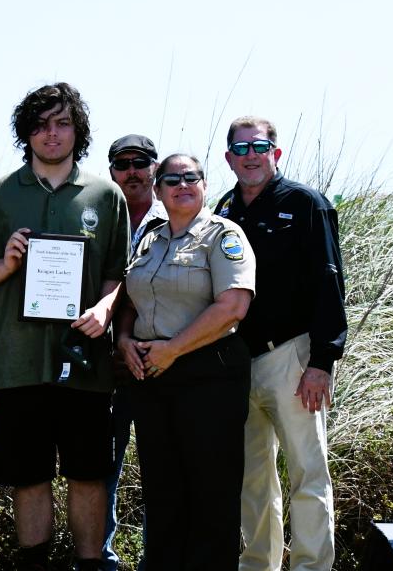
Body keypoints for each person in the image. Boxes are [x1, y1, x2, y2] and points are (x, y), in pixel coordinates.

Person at [0, 82, 130, 571]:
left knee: (88, 474)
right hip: (19, 362)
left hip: (85, 363)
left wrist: (106, 309)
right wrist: (6, 264)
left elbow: (119, 274)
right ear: (26, 133)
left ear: (78, 129)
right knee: (29, 476)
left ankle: (91, 565)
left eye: (61, 123)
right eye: (40, 125)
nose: (51, 134)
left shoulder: (106, 194)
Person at [215, 116, 347, 571]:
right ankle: (259, 566)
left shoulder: (307, 203)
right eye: (242, 149)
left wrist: (323, 361)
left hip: (293, 357)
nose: (251, 156)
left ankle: (312, 566)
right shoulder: (224, 210)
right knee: (253, 480)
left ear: (277, 152)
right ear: (229, 158)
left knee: (308, 475)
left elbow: (331, 283)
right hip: (236, 362)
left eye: (260, 146)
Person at [114, 154, 255, 569]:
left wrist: (173, 348)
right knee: (162, 491)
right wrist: (123, 339)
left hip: (208, 374)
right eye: (171, 179)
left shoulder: (223, 235)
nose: (182, 184)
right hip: (152, 377)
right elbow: (131, 296)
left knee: (210, 494)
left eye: (191, 177)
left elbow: (233, 306)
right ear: (157, 191)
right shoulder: (149, 239)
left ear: (205, 185)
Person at [101, 134, 167, 571]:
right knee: (102, 464)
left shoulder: (180, 216)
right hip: (105, 363)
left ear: (154, 167)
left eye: (139, 162)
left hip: (160, 363)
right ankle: (100, 557)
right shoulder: (100, 217)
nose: (131, 172)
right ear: (111, 173)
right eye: (121, 164)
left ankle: (156, 559)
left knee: (160, 467)